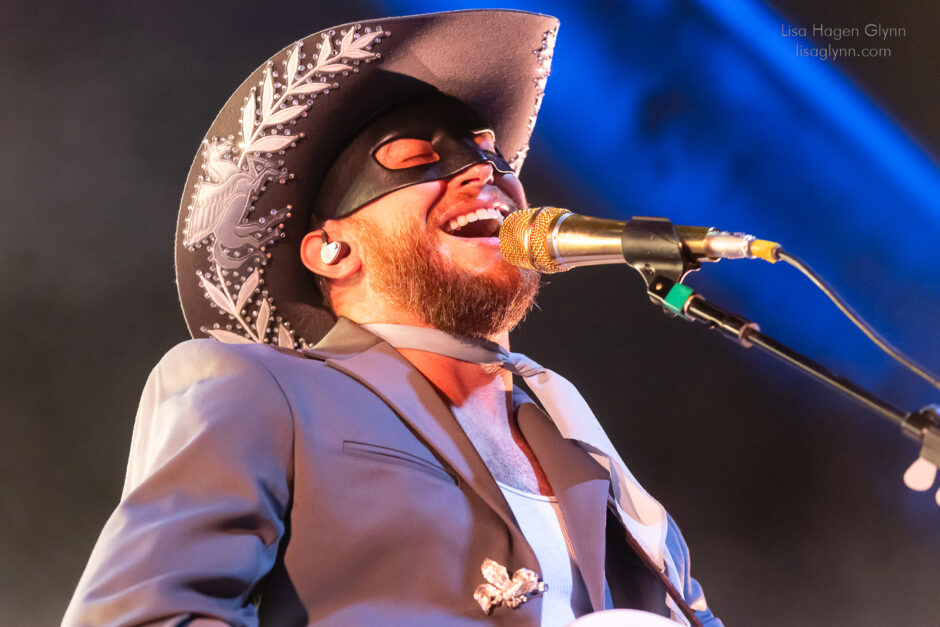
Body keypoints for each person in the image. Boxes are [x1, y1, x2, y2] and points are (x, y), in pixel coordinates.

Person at [64, 10, 722, 626]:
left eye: (492, 158)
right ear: (332, 249)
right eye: (417, 159)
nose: (483, 174)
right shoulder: (256, 388)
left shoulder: (595, 459)